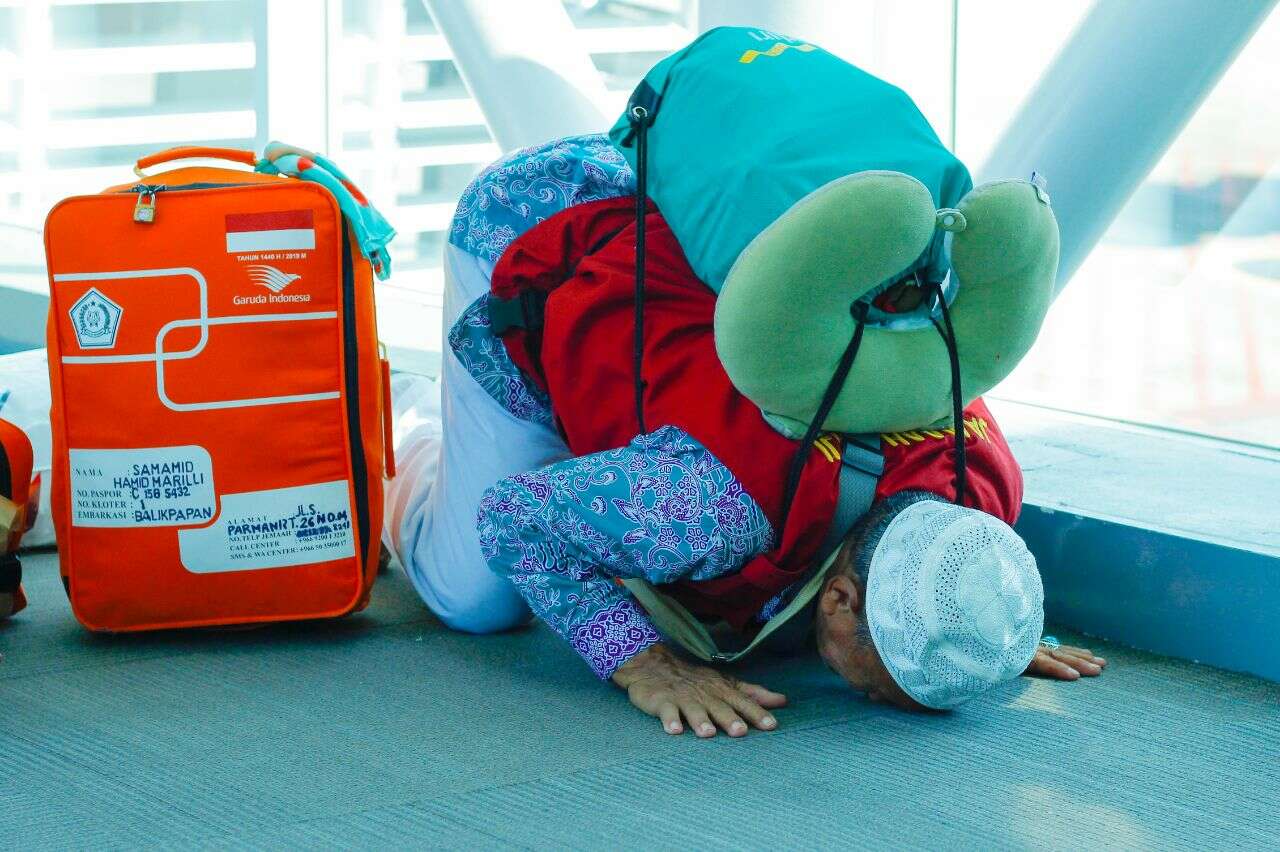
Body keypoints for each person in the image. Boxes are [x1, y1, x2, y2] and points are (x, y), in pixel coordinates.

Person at [385, 136, 1105, 736]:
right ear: (841, 602)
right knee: (475, 599)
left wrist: (984, 632)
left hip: (707, 216)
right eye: (885, 690)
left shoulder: (982, 484)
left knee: (629, 476)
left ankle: (614, 439)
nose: (890, 704)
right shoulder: (711, 509)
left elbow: (956, 568)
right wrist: (644, 663)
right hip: (542, 223)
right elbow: (516, 519)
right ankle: (405, 420)